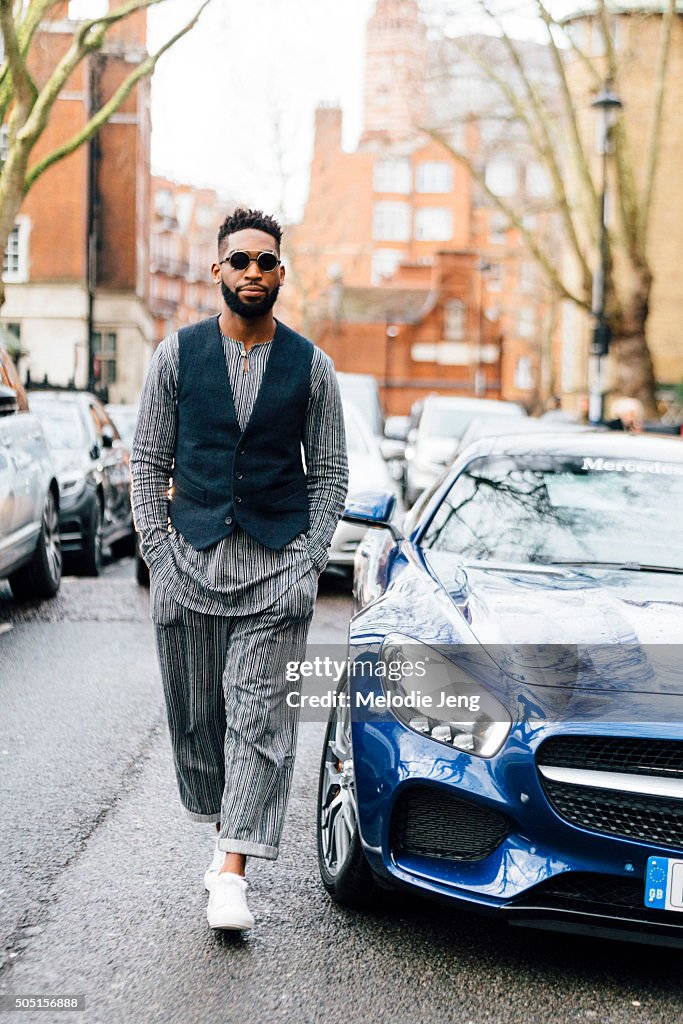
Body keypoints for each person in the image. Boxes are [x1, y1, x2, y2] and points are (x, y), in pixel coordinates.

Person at [130, 208, 348, 932]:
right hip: (188, 562)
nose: (253, 271)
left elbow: (331, 474)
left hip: (273, 568)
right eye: (240, 260)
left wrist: (306, 563)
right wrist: (160, 557)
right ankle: (226, 828)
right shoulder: (175, 356)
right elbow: (148, 465)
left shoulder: (311, 366)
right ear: (216, 270)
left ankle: (232, 873)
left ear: (281, 273)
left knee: (258, 721)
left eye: (266, 261)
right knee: (199, 720)